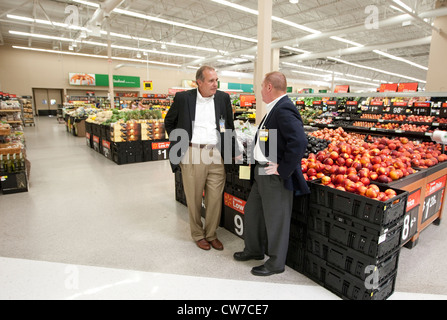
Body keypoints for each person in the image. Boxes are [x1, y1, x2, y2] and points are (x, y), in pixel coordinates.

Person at [233, 71, 310, 276]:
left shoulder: (284, 109)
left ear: (269, 87)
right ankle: (254, 250)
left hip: (273, 175)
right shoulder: (274, 108)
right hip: (261, 172)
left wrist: (283, 168)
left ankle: (276, 263)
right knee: (253, 212)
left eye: (261, 87)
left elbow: (299, 141)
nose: (259, 91)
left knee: (276, 219)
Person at [165, 66, 238, 251]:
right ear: (199, 82)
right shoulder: (184, 98)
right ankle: (198, 234)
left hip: (215, 153)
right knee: (195, 198)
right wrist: (179, 143)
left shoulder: (223, 98)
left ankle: (211, 234)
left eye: (216, 80)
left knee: (215, 197)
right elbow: (169, 121)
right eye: (211, 81)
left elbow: (228, 125)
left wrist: (233, 150)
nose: (215, 84)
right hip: (193, 152)